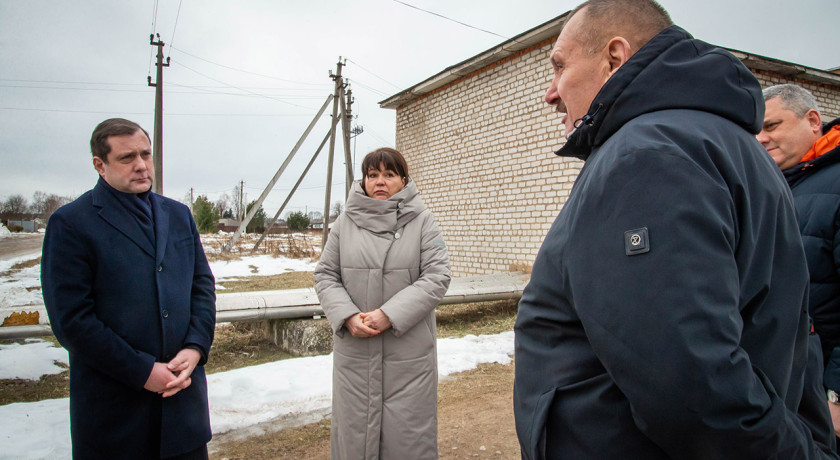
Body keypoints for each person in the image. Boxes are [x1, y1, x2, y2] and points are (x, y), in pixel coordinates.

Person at [512, 0, 837, 458]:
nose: (550, 92)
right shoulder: (722, 145)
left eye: (560, 67)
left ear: (614, 58)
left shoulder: (645, 156)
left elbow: (687, 382)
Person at [41, 118, 216, 459]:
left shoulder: (178, 215)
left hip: (183, 411)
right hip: (116, 419)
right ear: (100, 165)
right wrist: (142, 371)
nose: (141, 165)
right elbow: (72, 320)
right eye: (127, 158)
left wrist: (196, 347)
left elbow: (202, 286)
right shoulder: (72, 223)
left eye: (146, 154)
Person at [314, 147, 450, 459]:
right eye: (372, 174)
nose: (380, 181)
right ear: (363, 181)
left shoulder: (422, 222)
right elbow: (325, 275)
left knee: (407, 440)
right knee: (355, 440)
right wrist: (348, 316)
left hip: (409, 357)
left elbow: (437, 276)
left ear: (403, 180)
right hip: (356, 356)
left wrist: (389, 315)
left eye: (389, 174)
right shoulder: (345, 223)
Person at [758, 83, 840, 437]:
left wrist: (837, 392)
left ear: (812, 120)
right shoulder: (780, 185)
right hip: (795, 385)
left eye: (772, 126)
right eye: (756, 130)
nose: (761, 138)